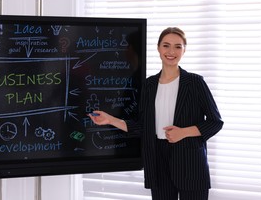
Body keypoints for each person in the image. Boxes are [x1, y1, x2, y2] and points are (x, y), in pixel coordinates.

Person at [89, 27, 223, 200]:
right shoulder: (149, 85)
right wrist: (110, 119)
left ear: (184, 50)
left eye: (178, 47)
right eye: (166, 45)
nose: (171, 51)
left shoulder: (195, 83)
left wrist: (183, 132)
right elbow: (142, 127)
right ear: (158, 48)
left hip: (190, 161)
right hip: (157, 158)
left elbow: (215, 122)